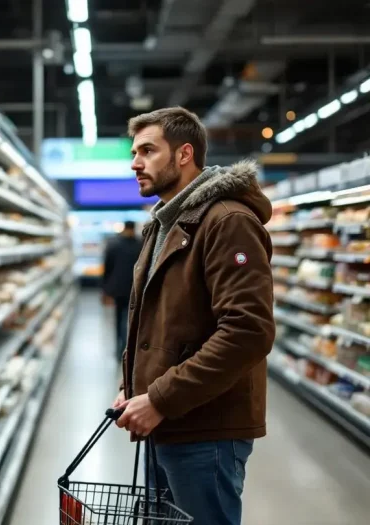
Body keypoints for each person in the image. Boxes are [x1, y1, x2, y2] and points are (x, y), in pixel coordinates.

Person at [111, 107, 275, 525]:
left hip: (207, 429)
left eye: (148, 150)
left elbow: (247, 331)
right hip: (167, 418)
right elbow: (157, 320)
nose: (135, 162)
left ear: (185, 154)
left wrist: (161, 397)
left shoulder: (228, 222)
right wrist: (131, 384)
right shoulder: (163, 224)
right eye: (134, 151)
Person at [102, 221, 141, 361]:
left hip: (120, 288)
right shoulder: (140, 244)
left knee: (120, 319)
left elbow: (107, 268)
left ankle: (121, 349)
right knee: (129, 320)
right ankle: (125, 348)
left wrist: (105, 289)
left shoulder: (113, 244)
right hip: (134, 288)